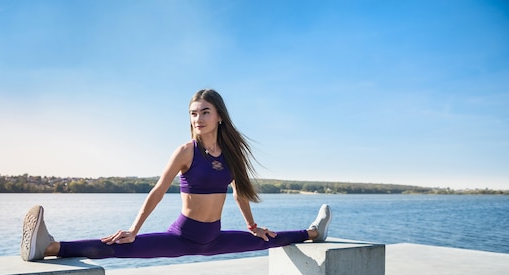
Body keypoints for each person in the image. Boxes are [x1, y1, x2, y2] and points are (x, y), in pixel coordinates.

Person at [20, 88, 331, 262]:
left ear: (219, 116)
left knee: (268, 240)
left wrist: (251, 226)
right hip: (183, 236)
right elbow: (158, 190)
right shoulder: (186, 152)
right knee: (118, 247)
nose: (198, 118)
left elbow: (239, 193)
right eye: (194, 113)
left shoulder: (231, 154)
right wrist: (134, 228)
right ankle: (48, 246)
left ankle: (314, 232)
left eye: (205, 112)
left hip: (214, 238)